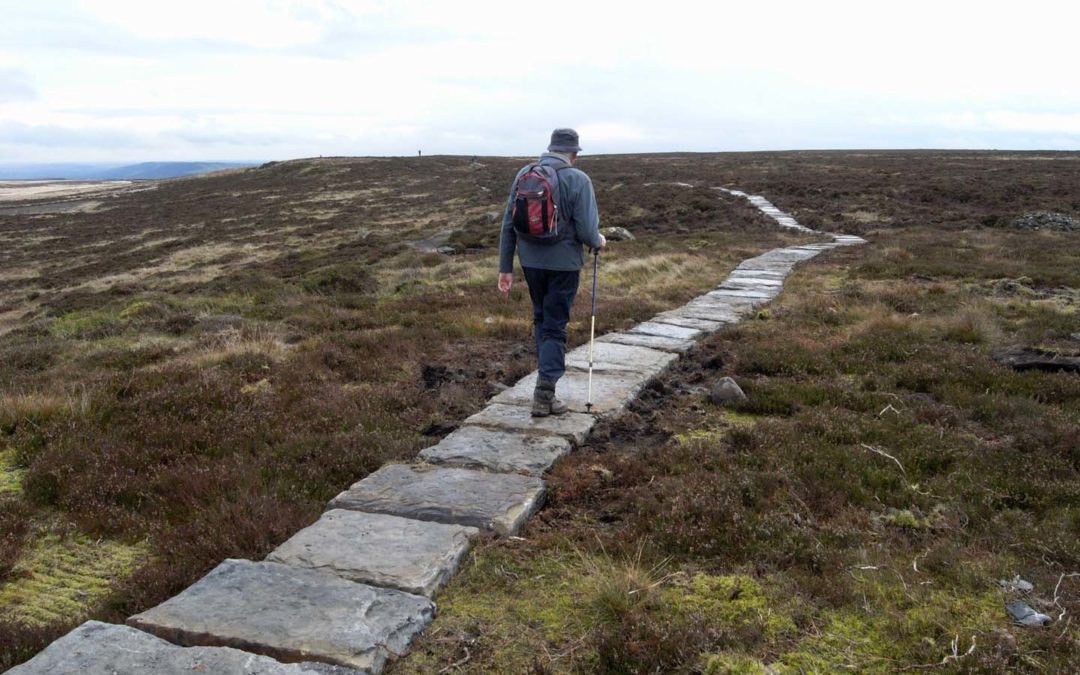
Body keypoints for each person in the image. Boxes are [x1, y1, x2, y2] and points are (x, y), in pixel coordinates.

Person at [497, 128, 606, 417]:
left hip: (530, 263)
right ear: (574, 153)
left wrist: (505, 268)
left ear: (550, 148)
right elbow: (587, 230)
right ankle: (544, 395)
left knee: (542, 320)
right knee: (555, 326)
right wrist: (599, 241)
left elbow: (509, 224)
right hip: (564, 266)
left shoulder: (524, 173)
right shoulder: (579, 179)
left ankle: (545, 386)